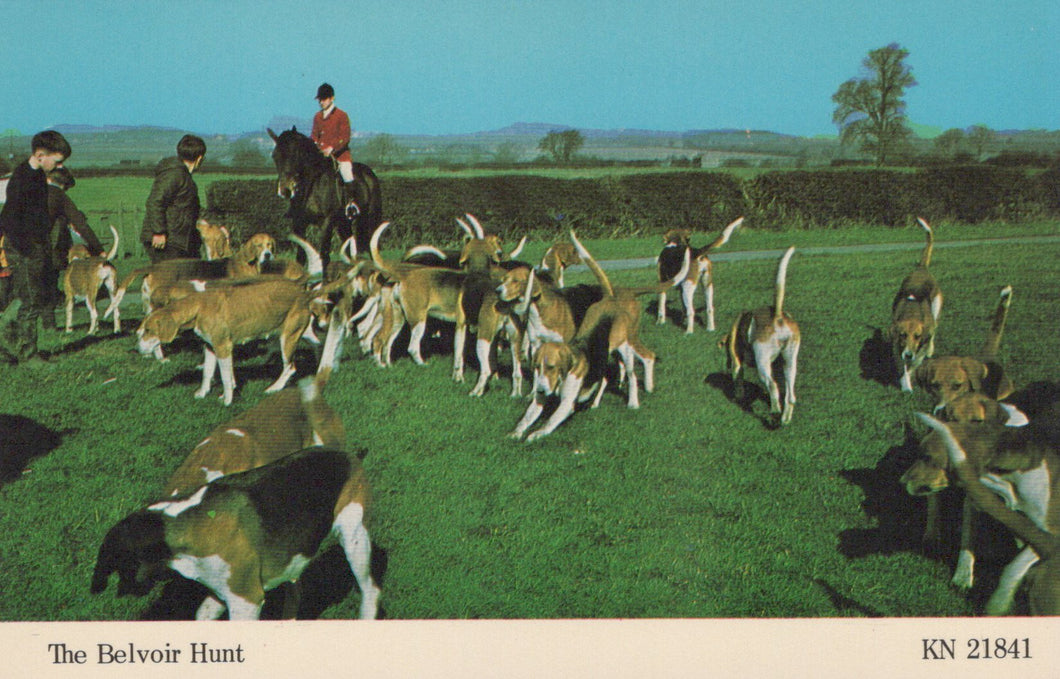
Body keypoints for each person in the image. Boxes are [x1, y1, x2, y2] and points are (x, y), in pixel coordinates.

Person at [0, 130, 72, 365]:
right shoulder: (23, 179)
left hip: (34, 247)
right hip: (24, 249)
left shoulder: (38, 176)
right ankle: (28, 355)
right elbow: (9, 219)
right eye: (58, 161)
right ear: (40, 155)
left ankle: (6, 342)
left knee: (27, 297)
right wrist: (28, 249)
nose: (60, 166)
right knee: (30, 301)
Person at [41, 167, 105, 329]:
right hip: (47, 249)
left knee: (27, 290)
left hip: (20, 246)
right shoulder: (60, 196)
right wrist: (98, 248)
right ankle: (49, 326)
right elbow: (80, 224)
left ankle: (17, 328)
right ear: (64, 185)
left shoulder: (29, 192)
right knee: (48, 285)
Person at [140, 134, 206, 262]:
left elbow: (192, 208)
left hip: (176, 239)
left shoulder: (182, 176)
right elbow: (155, 202)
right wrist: (158, 232)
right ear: (199, 158)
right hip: (166, 240)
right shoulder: (174, 175)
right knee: (168, 280)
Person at [311, 82, 359, 215]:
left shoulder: (341, 115)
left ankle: (351, 204)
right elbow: (314, 135)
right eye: (320, 99)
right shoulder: (317, 117)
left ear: (332, 98)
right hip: (320, 156)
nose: (321, 102)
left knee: (346, 172)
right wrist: (314, 145)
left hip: (339, 155)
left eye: (324, 99)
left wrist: (331, 149)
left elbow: (345, 137)